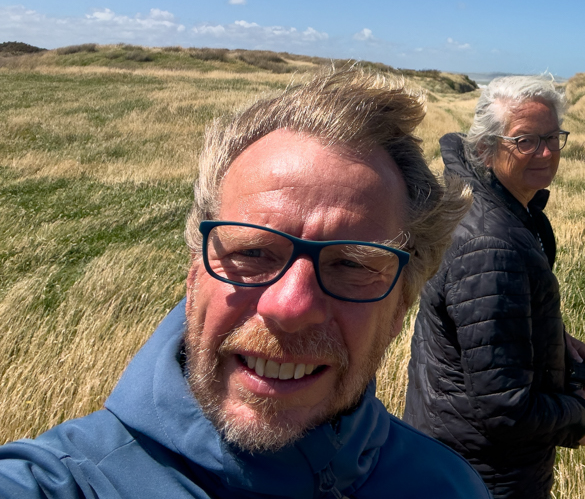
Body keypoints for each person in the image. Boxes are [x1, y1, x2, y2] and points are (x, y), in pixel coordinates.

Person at [0, 69, 490, 499]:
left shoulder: (449, 486)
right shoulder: (64, 482)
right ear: (195, 278)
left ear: (400, 310)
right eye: (253, 253)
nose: (291, 306)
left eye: (352, 264)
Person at [404, 75, 585, 499]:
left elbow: (478, 323)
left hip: (454, 453)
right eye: (525, 140)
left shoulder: (484, 205)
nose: (546, 152)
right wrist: (578, 416)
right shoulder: (490, 243)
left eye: (552, 137)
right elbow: (504, 409)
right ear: (485, 149)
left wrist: (551, 338)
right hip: (483, 475)